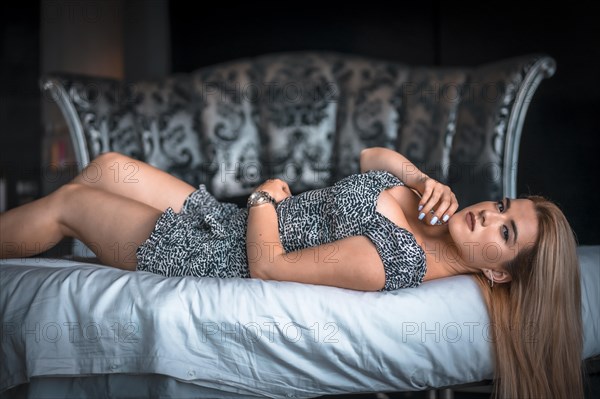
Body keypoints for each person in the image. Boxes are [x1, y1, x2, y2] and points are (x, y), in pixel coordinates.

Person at [0, 147, 584, 398]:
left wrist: (261, 201)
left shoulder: (392, 259)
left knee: (70, 207)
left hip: (211, 255)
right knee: (105, 169)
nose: (488, 216)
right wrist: (417, 175)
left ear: (501, 275)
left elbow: (269, 266)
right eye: (503, 206)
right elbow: (368, 161)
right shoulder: (432, 205)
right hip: (224, 222)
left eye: (503, 234)